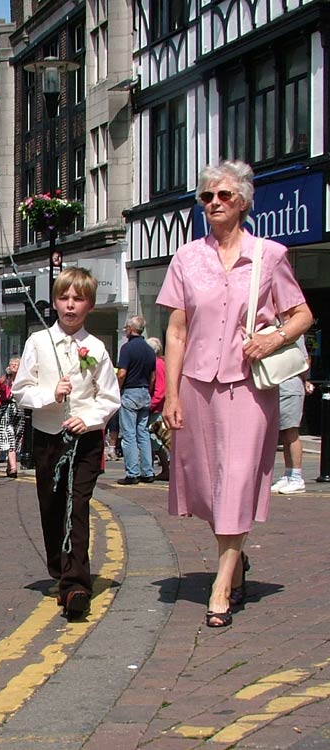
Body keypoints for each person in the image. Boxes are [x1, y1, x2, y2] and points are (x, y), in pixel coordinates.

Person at [158, 160, 312, 628]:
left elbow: (302, 315)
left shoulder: (271, 255)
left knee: (239, 480)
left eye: (224, 196)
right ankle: (236, 558)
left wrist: (273, 338)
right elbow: (178, 330)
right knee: (205, 486)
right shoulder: (187, 258)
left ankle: (221, 587)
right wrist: (171, 394)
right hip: (197, 385)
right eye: (207, 197)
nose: (214, 204)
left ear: (243, 201)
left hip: (248, 388)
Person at [12, 267, 120, 620]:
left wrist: (88, 420)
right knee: (51, 506)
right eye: (64, 298)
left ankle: (77, 585)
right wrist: (50, 394)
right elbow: (21, 390)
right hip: (48, 439)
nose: (70, 306)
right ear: (55, 302)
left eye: (79, 299)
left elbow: (109, 397)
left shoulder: (97, 349)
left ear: (89, 305)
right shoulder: (37, 343)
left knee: (77, 505)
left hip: (84, 440)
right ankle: (60, 568)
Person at [116, 315, 158, 485]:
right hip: (144, 392)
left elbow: (122, 373)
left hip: (130, 391)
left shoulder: (127, 348)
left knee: (129, 434)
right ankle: (148, 472)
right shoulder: (149, 349)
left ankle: (132, 473)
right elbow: (153, 376)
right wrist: (148, 390)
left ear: (132, 329)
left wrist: (117, 388)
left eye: (126, 327)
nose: (125, 330)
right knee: (143, 433)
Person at [271, 338, 311, 495]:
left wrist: (305, 380)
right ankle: (288, 475)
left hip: (289, 387)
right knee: (284, 434)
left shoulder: (293, 333)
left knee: (291, 432)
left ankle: (296, 477)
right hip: (277, 386)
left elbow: (305, 360)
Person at [0, 357, 24, 478]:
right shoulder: (7, 380)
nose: (13, 366)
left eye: (16, 364)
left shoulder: (23, 379)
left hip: (20, 411)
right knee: (10, 437)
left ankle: (9, 466)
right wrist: (6, 374)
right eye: (11, 364)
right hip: (8, 411)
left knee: (17, 439)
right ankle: (14, 468)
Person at [146, 337, 170, 482]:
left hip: (157, 407)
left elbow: (160, 389)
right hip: (160, 405)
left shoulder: (156, 364)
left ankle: (166, 469)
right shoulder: (162, 363)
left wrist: (152, 405)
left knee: (158, 440)